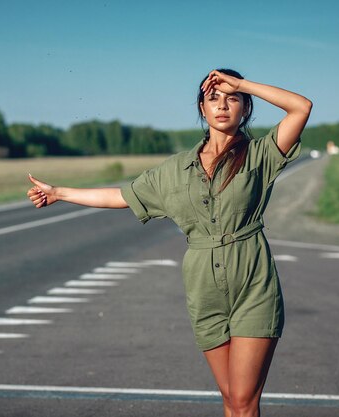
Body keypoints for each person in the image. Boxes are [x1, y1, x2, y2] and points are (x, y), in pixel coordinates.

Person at [27, 69, 312, 417]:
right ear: (202, 110)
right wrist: (59, 193)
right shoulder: (175, 170)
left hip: (252, 281)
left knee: (243, 399)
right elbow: (121, 195)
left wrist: (241, 84)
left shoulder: (260, 155)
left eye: (232, 99)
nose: (222, 105)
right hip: (203, 288)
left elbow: (300, 107)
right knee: (230, 400)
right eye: (213, 98)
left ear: (245, 109)